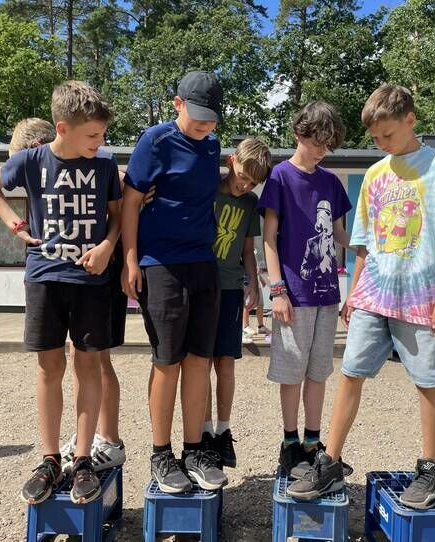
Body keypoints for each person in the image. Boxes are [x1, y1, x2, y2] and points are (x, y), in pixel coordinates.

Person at [287, 84, 435, 508]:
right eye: (375, 138)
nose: (381, 144)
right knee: (351, 373)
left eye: (387, 135)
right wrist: (354, 293)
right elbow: (364, 245)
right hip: (374, 296)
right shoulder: (375, 175)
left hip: (421, 299)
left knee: (426, 382)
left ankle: (431, 469)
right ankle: (330, 462)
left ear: (410, 119)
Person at [0, 81, 121, 504]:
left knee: (88, 366)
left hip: (90, 281)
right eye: (92, 134)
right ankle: (50, 459)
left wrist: (107, 246)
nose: (100, 142)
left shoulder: (105, 166)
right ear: (62, 128)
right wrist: (13, 223)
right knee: (49, 368)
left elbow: (117, 217)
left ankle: (83, 459)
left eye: (102, 134)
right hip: (44, 276)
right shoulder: (30, 160)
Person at [121, 71, 228, 493]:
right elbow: (130, 202)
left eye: (212, 118)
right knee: (167, 361)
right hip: (161, 263)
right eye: (198, 116)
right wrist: (130, 261)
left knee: (200, 360)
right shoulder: (155, 141)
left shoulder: (213, 146)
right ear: (177, 104)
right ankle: (161, 454)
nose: (205, 125)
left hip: (204, 262)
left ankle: (195, 450)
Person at [7, 118, 134, 475]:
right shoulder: (53, 163)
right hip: (69, 268)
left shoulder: (99, 162)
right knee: (80, 358)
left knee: (94, 359)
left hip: (100, 268)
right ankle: (87, 438)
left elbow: (123, 194)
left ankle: (107, 440)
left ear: (37, 148)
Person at [258, 101, 352, 479]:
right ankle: (290, 444)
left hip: (327, 296)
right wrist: (277, 291)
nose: (321, 151)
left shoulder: (331, 182)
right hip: (293, 295)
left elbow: (341, 235)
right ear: (299, 133)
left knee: (318, 372)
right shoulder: (279, 177)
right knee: (292, 372)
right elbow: (268, 238)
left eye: (327, 145)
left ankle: (313, 443)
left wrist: (369, 245)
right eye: (317, 143)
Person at [203, 137, 272, 468]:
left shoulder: (250, 203)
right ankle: (203, 431)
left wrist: (253, 283)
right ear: (231, 161)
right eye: (243, 176)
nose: (244, 185)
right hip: (202, 284)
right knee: (201, 362)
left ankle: (223, 430)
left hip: (231, 287)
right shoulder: (207, 188)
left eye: (252, 182)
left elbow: (247, 249)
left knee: (225, 362)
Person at [242, 235, 271, 344]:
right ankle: (245, 326)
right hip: (248, 280)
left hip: (257, 278)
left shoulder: (257, 250)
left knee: (260, 304)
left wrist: (262, 278)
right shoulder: (248, 249)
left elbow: (259, 265)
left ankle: (260, 326)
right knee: (247, 303)